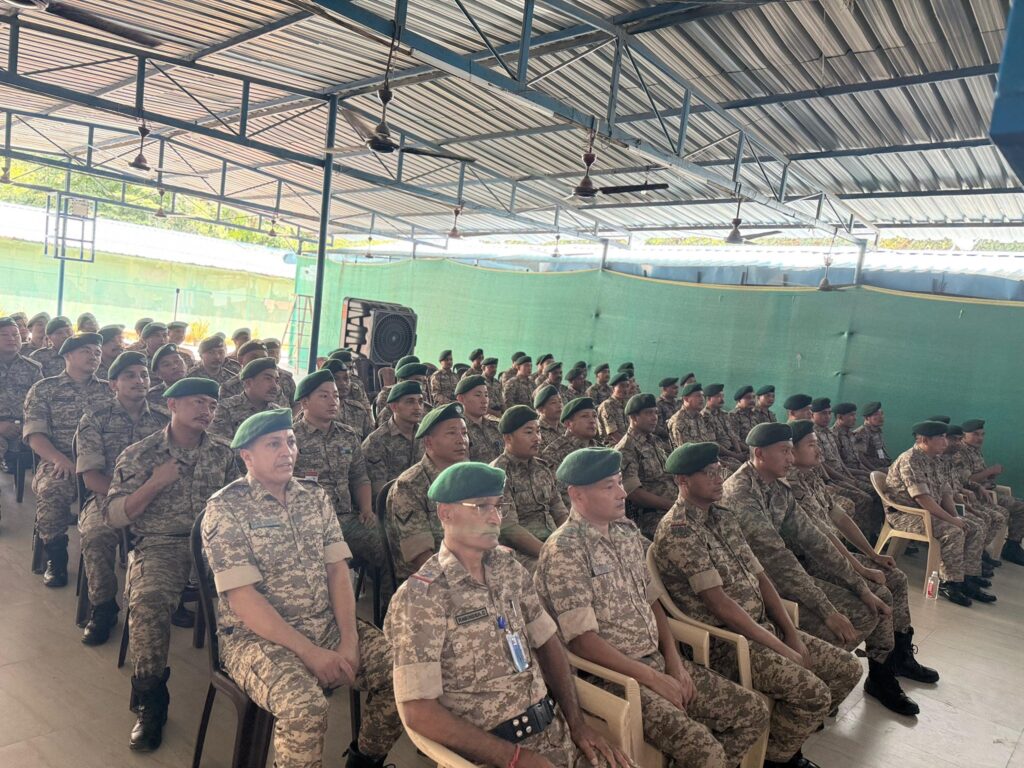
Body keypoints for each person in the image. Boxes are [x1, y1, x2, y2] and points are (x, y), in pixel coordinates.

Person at [536, 447, 769, 768]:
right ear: (577, 495)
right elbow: (583, 642)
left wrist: (674, 662)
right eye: (609, 486)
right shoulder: (565, 550)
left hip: (656, 661)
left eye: (620, 482)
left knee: (753, 713)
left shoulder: (626, 532)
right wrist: (653, 679)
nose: (622, 493)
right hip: (613, 678)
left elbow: (651, 601)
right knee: (707, 752)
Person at [384, 461, 627, 768]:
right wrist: (514, 758)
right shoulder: (423, 598)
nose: (495, 518)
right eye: (481, 507)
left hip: (555, 733)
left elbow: (547, 642)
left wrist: (577, 724)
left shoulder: (508, 569)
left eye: (498, 506)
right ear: (445, 513)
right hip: (493, 754)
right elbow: (418, 711)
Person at [202, 409, 402, 768]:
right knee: (305, 708)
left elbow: (338, 571)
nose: (287, 451)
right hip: (256, 639)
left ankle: (365, 759)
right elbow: (243, 599)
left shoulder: (314, 496)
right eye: (273, 444)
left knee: (402, 675)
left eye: (291, 442)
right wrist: (310, 653)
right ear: (247, 456)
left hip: (324, 622)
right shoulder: (225, 508)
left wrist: (349, 640)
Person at [652, 442, 863, 768]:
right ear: (683, 481)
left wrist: (790, 634)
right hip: (725, 643)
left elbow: (760, 576)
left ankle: (778, 750)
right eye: (708, 474)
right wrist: (782, 647)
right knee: (815, 694)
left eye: (719, 470)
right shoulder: (679, 530)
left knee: (848, 670)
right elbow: (720, 605)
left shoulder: (722, 516)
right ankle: (780, 758)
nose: (718, 479)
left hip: (762, 628)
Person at [104, 377, 238, 750]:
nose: (206, 411)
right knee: (148, 601)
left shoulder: (225, 454)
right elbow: (114, 515)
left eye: (212, 405)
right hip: (163, 544)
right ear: (172, 405)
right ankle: (151, 700)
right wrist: (154, 483)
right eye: (198, 402)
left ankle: (249, 668)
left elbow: (242, 504)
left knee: (267, 584)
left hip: (214, 544)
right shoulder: (141, 454)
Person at [720, 424, 889, 691]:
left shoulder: (777, 487)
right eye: (784, 451)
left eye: (791, 451)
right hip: (750, 586)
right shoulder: (740, 493)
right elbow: (778, 558)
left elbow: (814, 539)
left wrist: (861, 586)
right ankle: (807, 689)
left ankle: (827, 686)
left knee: (866, 610)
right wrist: (827, 610)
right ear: (760, 454)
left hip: (776, 578)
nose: (791, 459)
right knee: (842, 624)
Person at [785, 420, 925, 715]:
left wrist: (872, 554)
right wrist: (860, 569)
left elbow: (838, 517)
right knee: (880, 592)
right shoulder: (790, 484)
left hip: (832, 554)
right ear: (791, 451)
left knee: (895, 577)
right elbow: (820, 538)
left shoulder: (810, 475)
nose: (819, 449)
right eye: (811, 444)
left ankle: (899, 656)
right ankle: (881, 675)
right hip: (811, 562)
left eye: (817, 443)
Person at [75, 351, 169, 645]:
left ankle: (167, 597)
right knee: (96, 534)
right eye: (129, 376)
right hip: (108, 495)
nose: (139, 380)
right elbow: (91, 477)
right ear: (113, 384)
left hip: (157, 497)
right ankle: (103, 607)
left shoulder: (165, 420)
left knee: (180, 531)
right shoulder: (95, 419)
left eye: (144, 375)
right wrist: (129, 499)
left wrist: (148, 495)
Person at [23, 332, 111, 586]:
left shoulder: (109, 390)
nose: (93, 356)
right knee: (52, 490)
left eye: (97, 352)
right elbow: (34, 434)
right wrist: (59, 459)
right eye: (86, 351)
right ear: (68, 355)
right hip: (61, 459)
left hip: (101, 463)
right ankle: (56, 556)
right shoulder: (44, 389)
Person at [885, 421, 992, 606]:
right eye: (940, 437)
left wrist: (956, 517)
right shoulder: (910, 460)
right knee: (953, 531)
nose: (945, 442)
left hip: (929, 512)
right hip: (907, 515)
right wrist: (952, 521)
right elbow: (923, 499)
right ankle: (949, 583)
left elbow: (945, 493)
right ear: (924, 440)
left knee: (974, 526)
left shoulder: (937, 460)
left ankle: (968, 578)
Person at [292, 369, 382, 569]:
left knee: (384, 545)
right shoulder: (292, 438)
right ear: (305, 402)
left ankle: (382, 590)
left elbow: (359, 476)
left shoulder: (347, 435)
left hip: (346, 518)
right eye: (324, 396)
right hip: (308, 522)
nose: (333, 402)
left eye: (336, 396)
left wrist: (366, 509)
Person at [385, 403, 469, 580]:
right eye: (452, 433)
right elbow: (421, 557)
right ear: (428, 442)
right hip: (430, 579)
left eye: (464, 433)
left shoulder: (468, 475)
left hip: (470, 565)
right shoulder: (409, 486)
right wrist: (464, 581)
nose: (461, 440)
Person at [491, 405, 568, 570]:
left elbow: (560, 512)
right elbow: (509, 529)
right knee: (561, 571)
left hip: (553, 542)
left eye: (538, 431)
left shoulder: (542, 468)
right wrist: (550, 554)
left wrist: (570, 542)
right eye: (528, 432)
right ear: (508, 438)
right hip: (519, 553)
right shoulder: (498, 473)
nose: (537, 438)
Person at [809, 398, 881, 538]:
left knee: (874, 492)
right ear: (812, 415)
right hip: (829, 479)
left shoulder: (828, 433)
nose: (827, 417)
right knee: (864, 498)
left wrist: (850, 476)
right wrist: (846, 479)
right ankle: (859, 538)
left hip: (842, 475)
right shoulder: (814, 435)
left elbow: (839, 460)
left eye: (828, 413)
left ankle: (871, 533)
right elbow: (823, 464)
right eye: (823, 413)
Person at [956, 418, 1024, 566]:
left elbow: (980, 476)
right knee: (1019, 507)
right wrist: (990, 471)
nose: (980, 438)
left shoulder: (975, 451)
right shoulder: (960, 452)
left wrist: (990, 477)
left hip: (986, 492)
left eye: (982, 434)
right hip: (974, 497)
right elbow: (967, 480)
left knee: (1020, 505)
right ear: (963, 435)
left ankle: (1012, 545)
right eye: (975, 434)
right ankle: (981, 552)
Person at [615, 394, 674, 538]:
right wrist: (672, 505)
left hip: (672, 506)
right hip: (652, 515)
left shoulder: (655, 441)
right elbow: (634, 494)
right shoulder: (626, 449)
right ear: (634, 418)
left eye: (656, 413)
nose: (654, 418)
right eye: (648, 413)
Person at [362, 380, 425, 501]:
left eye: (420, 402)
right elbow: (379, 492)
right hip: (393, 504)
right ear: (394, 407)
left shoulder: (427, 435)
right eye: (410, 402)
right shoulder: (375, 442)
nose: (417, 407)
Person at [542, 397, 602, 508]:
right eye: (584, 416)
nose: (592, 421)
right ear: (569, 424)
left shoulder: (601, 449)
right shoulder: (554, 453)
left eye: (594, 416)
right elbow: (560, 496)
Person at [0, 316, 43, 470]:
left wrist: (27, 427)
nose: (11, 338)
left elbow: (41, 404)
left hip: (26, 428)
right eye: (4, 335)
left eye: (15, 334)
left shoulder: (33, 368)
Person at [209, 358, 283, 441]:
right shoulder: (225, 408)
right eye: (268, 379)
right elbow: (219, 444)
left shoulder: (278, 413)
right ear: (248, 383)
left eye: (276, 381)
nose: (274, 386)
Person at [320, 359, 373, 439]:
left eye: (346, 378)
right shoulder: (316, 413)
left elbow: (371, 440)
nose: (343, 383)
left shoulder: (358, 410)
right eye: (336, 379)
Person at [456, 374, 504, 463]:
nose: (484, 400)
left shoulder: (496, 426)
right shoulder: (458, 431)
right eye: (478, 395)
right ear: (461, 399)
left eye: (486, 395)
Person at [701, 384, 746, 471]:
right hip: (721, 456)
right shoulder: (704, 417)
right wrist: (735, 456)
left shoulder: (724, 414)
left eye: (722, 396)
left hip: (733, 452)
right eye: (718, 396)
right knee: (744, 470)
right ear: (709, 398)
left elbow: (732, 435)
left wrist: (739, 452)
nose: (722, 399)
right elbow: (713, 444)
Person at [667, 382, 708, 448]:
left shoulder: (699, 416)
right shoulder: (679, 420)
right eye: (698, 396)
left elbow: (707, 440)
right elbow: (685, 450)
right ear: (686, 399)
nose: (702, 399)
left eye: (702, 395)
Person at [596, 372, 631, 445]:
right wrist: (629, 446)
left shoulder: (625, 404)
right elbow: (613, 434)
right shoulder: (607, 405)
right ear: (613, 389)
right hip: (611, 445)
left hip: (624, 443)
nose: (625, 389)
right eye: (622, 386)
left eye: (627, 386)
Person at [854, 402, 890, 470]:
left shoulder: (877, 431)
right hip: (871, 468)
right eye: (876, 415)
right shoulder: (862, 432)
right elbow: (860, 456)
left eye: (881, 414)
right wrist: (874, 470)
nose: (881, 417)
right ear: (867, 418)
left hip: (882, 465)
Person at [654, 377, 680, 445]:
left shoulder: (676, 403)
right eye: (674, 388)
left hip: (677, 439)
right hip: (664, 442)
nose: (677, 391)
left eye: (677, 388)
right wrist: (671, 433)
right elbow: (656, 427)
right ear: (664, 389)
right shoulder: (658, 404)